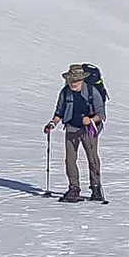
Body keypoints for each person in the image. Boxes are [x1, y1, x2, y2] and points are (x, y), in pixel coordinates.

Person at [44, 65, 106, 203]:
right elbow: (59, 111)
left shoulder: (92, 91)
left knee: (92, 158)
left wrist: (90, 120)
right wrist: (52, 124)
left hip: (89, 129)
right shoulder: (65, 92)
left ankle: (96, 188)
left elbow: (101, 114)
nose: (73, 82)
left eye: (76, 80)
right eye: (71, 79)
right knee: (70, 160)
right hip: (71, 127)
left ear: (82, 80)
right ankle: (74, 188)